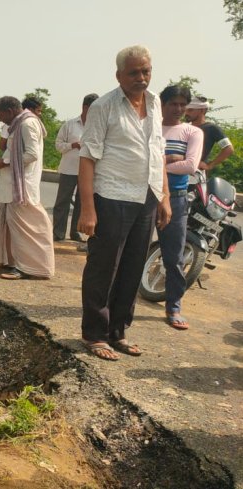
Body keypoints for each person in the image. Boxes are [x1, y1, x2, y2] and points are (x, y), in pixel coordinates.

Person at [77, 45, 171, 361]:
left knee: (132, 269)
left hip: (146, 197)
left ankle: (118, 332)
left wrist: (164, 196)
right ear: (119, 75)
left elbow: (157, 153)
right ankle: (94, 334)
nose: (141, 78)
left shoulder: (156, 103)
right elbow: (87, 158)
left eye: (146, 71)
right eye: (134, 73)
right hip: (112, 197)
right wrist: (88, 209)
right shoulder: (105, 107)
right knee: (104, 267)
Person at [0, 96, 55, 280]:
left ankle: (29, 267)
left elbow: (31, 154)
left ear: (10, 111)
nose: (0, 120)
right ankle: (12, 262)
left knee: (27, 228)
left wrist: (5, 161)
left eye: (1, 115)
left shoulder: (27, 124)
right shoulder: (20, 123)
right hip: (13, 186)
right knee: (12, 227)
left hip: (21, 186)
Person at [158, 85, 203, 330]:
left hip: (175, 197)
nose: (178, 109)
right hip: (144, 196)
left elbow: (190, 166)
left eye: (182, 104)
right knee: (130, 253)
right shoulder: (151, 127)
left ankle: (173, 306)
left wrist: (158, 163)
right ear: (162, 104)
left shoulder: (191, 132)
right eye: (173, 103)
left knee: (174, 255)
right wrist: (171, 159)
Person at [52, 93, 99, 242]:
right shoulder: (70, 125)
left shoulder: (98, 127)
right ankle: (58, 232)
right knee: (62, 202)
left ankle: (75, 232)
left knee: (82, 203)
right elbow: (58, 146)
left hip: (88, 172)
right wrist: (73, 145)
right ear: (85, 107)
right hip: (68, 169)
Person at [184, 96, 235, 178]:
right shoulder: (185, 127)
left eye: (190, 110)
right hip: (180, 172)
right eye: (186, 110)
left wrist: (210, 165)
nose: (186, 113)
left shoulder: (211, 128)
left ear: (202, 110)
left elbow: (228, 149)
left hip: (196, 175)